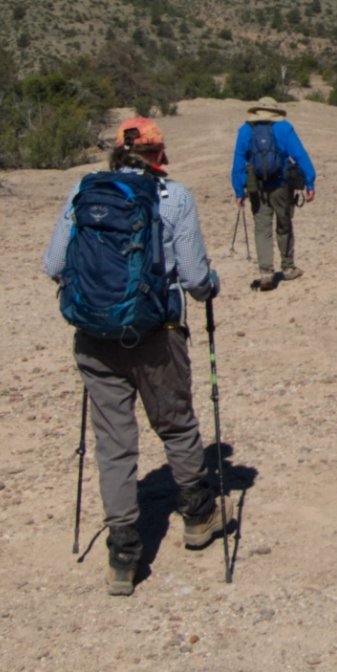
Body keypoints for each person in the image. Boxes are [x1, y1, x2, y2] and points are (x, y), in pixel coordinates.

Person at [42, 117, 222, 596]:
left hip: (94, 338)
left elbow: (54, 264)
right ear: (157, 154)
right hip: (155, 333)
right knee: (177, 424)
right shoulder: (174, 197)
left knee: (113, 442)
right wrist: (211, 285)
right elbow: (195, 277)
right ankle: (199, 519)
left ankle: (123, 554)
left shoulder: (84, 189)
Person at [230, 97, 317, 291]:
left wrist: (238, 189)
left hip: (256, 187)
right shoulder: (284, 127)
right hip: (281, 185)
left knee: (262, 228)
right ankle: (287, 267)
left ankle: (266, 272)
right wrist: (310, 181)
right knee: (284, 225)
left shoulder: (245, 130)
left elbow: (238, 161)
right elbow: (300, 155)